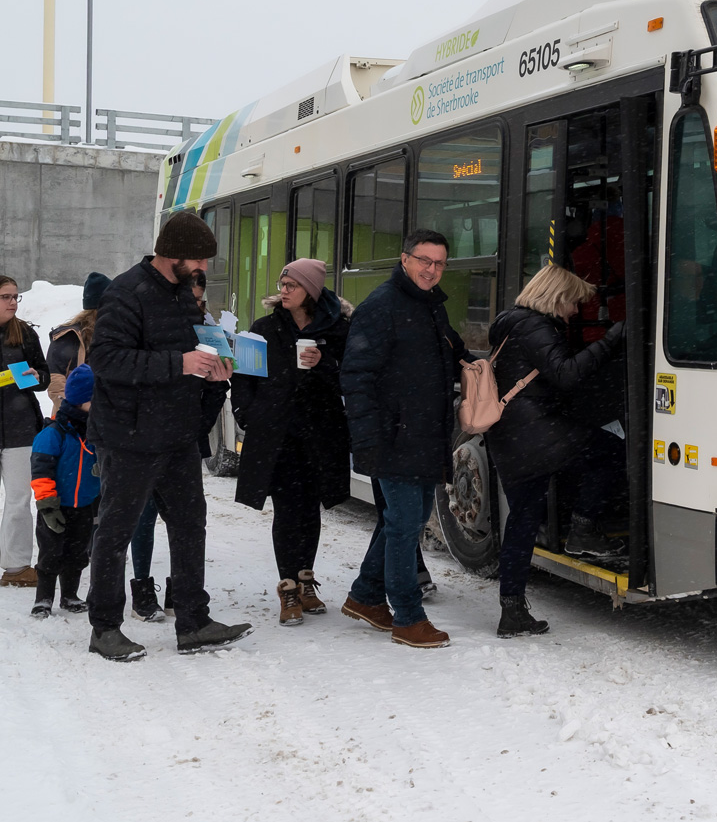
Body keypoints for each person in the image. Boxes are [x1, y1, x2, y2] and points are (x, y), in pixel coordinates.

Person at [86, 211, 251, 661]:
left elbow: (188, 354)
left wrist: (212, 371)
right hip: (129, 435)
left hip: (176, 433)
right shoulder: (126, 292)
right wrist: (179, 364)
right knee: (116, 530)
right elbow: (106, 360)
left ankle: (194, 622)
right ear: (172, 254)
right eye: (198, 259)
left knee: (190, 524)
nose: (203, 268)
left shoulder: (182, 294)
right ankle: (105, 628)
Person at [339, 229, 467, 649]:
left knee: (401, 521)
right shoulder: (382, 305)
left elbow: (448, 355)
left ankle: (365, 596)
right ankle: (408, 617)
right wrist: (368, 439)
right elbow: (356, 376)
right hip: (394, 437)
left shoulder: (431, 306)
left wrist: (475, 364)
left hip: (424, 434)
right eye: (424, 260)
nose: (432, 269)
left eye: (439, 263)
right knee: (405, 526)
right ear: (405, 259)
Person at [485, 263, 626, 638]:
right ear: (557, 297)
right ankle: (583, 528)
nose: (575, 311)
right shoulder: (536, 326)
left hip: (510, 436)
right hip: (535, 434)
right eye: (573, 302)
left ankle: (512, 609)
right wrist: (611, 340)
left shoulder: (510, 323)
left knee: (523, 519)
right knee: (612, 452)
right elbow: (566, 374)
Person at [231, 259, 352, 626]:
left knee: (311, 509)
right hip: (277, 436)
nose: (283, 291)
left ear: (310, 291)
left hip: (320, 435)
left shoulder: (336, 329)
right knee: (286, 510)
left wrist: (324, 362)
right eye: (282, 284)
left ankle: (305, 579)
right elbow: (243, 377)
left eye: (291, 285)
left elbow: (352, 376)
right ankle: (287, 587)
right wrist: (247, 414)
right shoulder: (264, 328)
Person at [127, 269, 215, 623]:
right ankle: (141, 586)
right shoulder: (152, 324)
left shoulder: (208, 331)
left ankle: (181, 590)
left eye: (200, 301)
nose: (195, 306)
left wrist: (218, 377)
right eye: (191, 300)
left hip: (185, 436)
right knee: (143, 515)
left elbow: (214, 390)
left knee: (186, 519)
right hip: (149, 433)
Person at [30, 364, 99, 618]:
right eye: (95, 400)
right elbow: (41, 472)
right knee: (50, 553)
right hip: (55, 507)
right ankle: (43, 599)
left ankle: (69, 595)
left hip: (84, 506)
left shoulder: (96, 433)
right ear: (80, 400)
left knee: (78, 554)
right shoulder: (53, 433)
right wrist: (47, 504)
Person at [0, 275, 51, 588]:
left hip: (20, 429)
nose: (13, 302)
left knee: (19, 500)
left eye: (15, 296)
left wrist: (36, 376)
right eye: (5, 297)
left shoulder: (25, 333)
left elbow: (44, 377)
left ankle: (17, 568)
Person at [45, 271, 111, 417]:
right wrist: (76, 411)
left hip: (107, 417)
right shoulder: (69, 336)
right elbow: (55, 382)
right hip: (72, 419)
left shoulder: (116, 333)